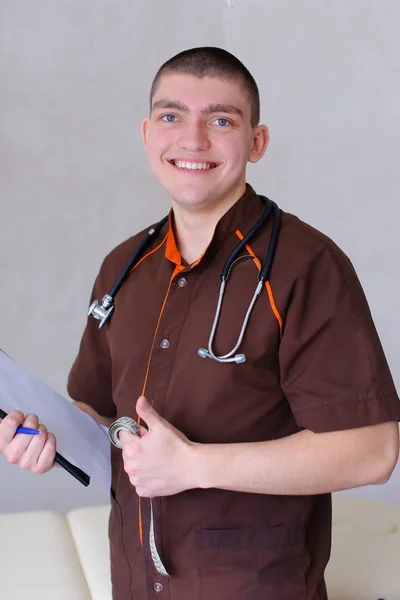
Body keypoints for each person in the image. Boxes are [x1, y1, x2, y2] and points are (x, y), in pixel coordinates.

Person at [0, 47, 399, 600]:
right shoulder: (123, 268)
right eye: (171, 116)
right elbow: (98, 419)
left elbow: (373, 450)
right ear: (146, 134)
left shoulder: (305, 266)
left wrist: (195, 465)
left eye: (220, 119)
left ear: (256, 142)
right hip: (136, 584)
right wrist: (43, 439)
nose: (192, 140)